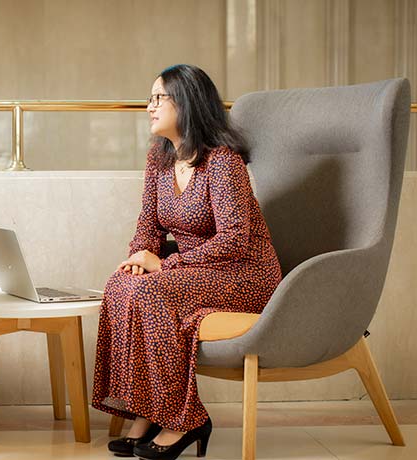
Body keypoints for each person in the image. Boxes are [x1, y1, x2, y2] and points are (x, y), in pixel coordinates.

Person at [91, 64, 282, 460]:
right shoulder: (159, 159)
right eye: (150, 98)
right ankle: (150, 410)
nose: (150, 106)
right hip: (196, 270)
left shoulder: (223, 161)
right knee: (121, 284)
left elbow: (234, 239)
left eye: (159, 97)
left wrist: (164, 266)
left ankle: (185, 419)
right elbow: (148, 225)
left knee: (152, 289)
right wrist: (137, 261)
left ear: (188, 101)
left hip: (244, 273)